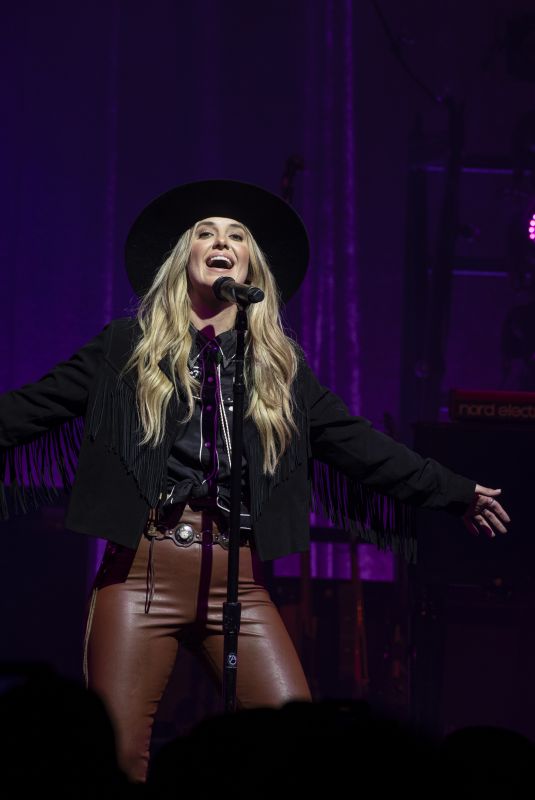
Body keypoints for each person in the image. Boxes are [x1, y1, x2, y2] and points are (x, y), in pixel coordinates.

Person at [0, 179, 510, 783]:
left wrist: (454, 490)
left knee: (297, 748)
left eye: (237, 236)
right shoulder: (124, 350)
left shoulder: (280, 373)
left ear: (250, 265)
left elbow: (361, 448)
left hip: (237, 583)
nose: (222, 241)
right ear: (183, 259)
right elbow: (28, 410)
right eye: (206, 233)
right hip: (141, 575)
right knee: (115, 760)